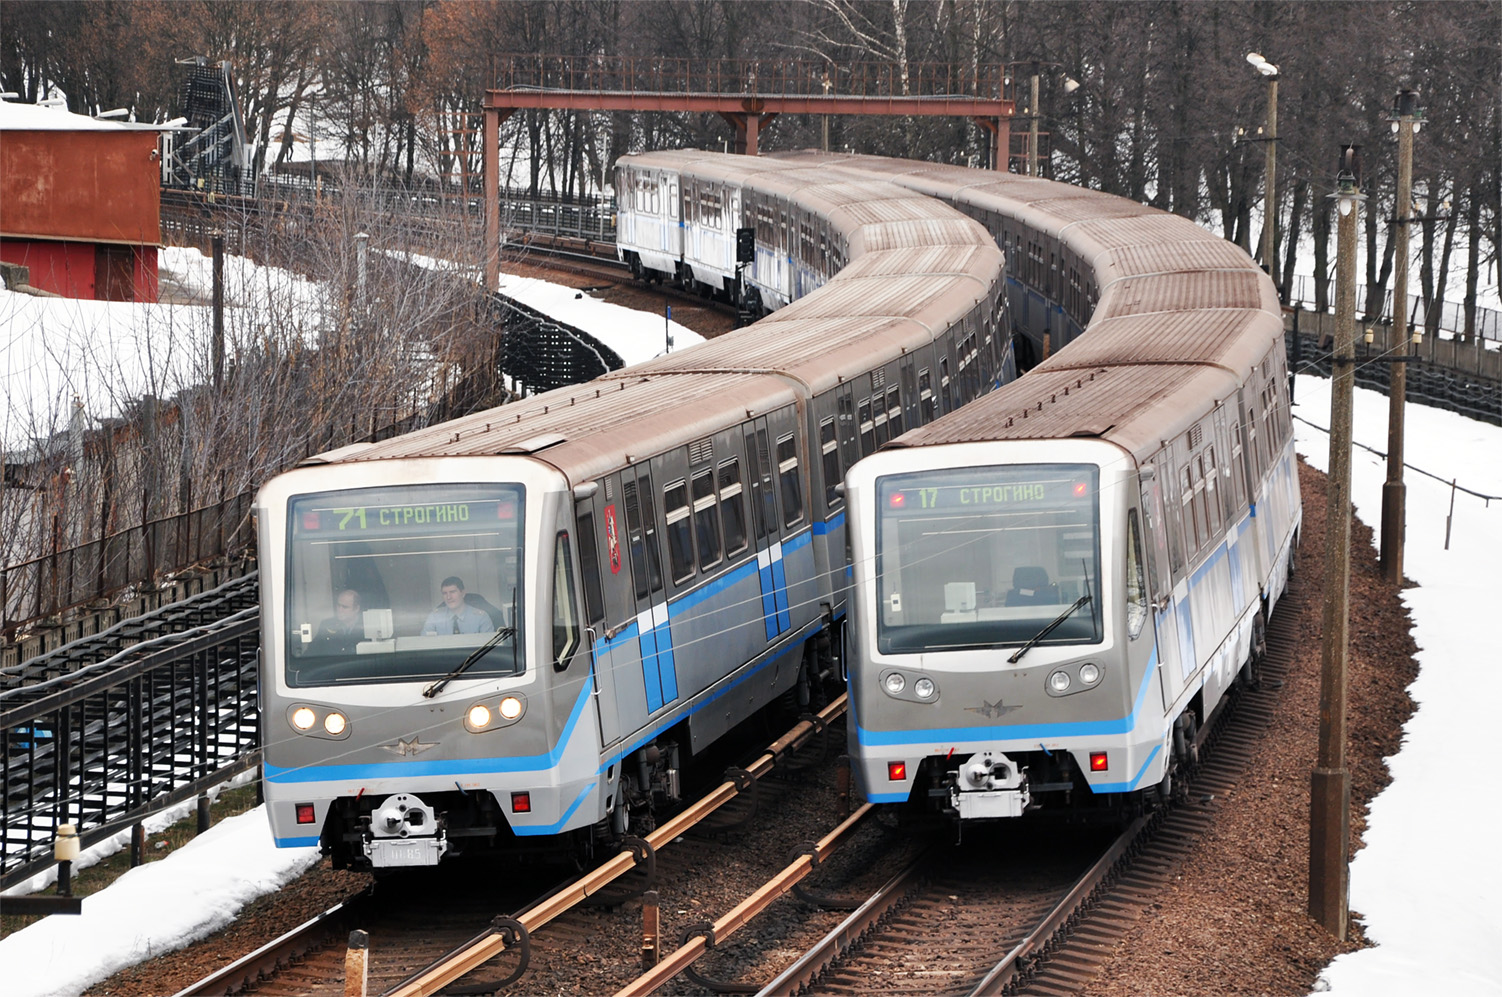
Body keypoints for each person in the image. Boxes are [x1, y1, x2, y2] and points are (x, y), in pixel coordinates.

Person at [422, 576, 495, 635]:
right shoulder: (434, 617)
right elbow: (425, 645)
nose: (448, 597)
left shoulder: (481, 617)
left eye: (452, 592)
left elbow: (490, 649)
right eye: (444, 593)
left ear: (463, 593)